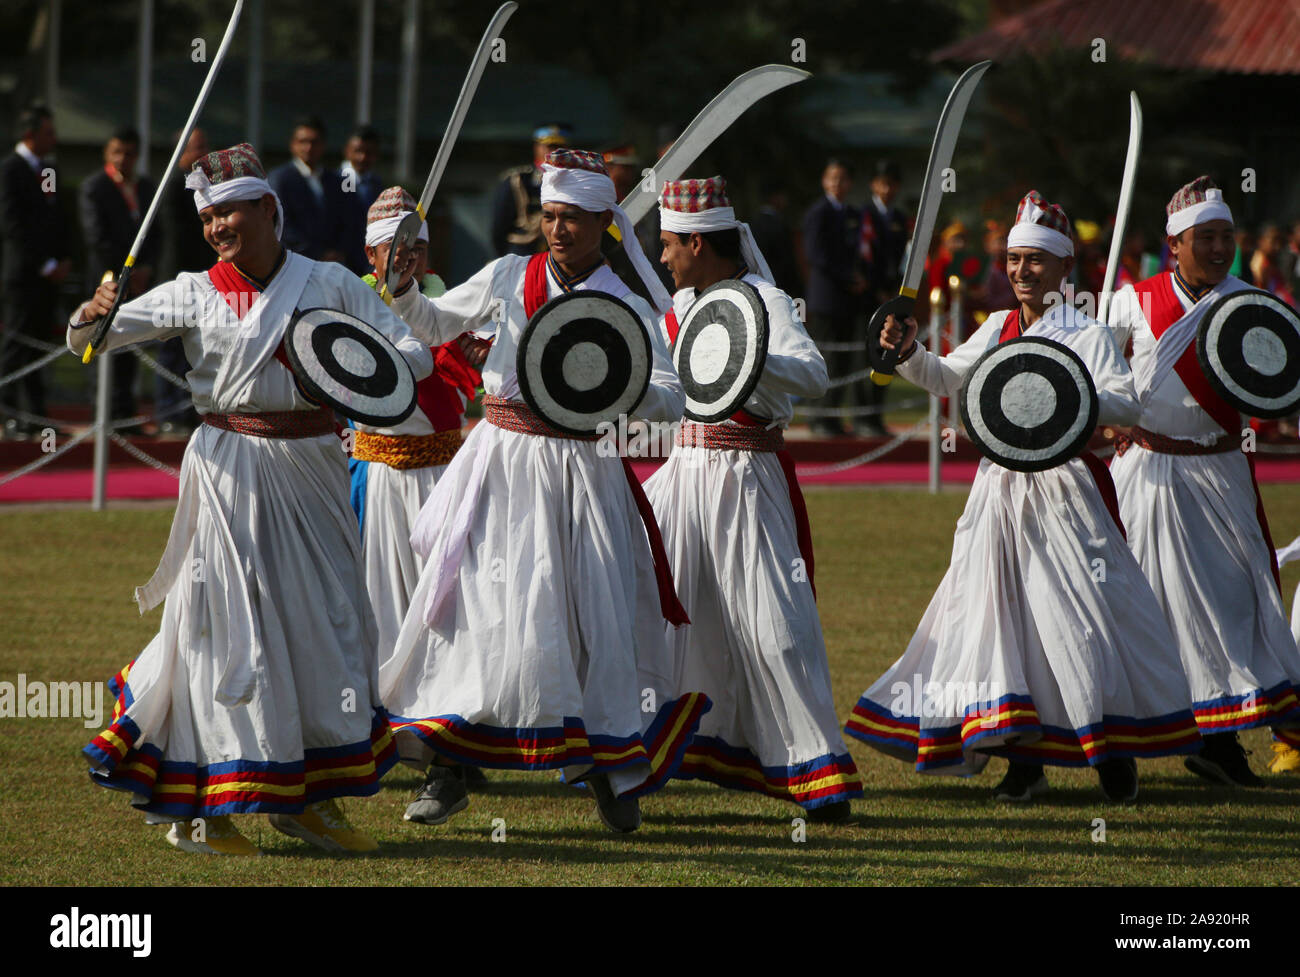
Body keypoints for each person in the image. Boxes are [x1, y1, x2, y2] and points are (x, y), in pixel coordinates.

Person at [71, 143, 434, 855]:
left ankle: (309, 800)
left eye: (229, 210)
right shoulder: (190, 290)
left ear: (269, 208)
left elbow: (409, 354)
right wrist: (94, 309)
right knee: (227, 634)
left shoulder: (330, 282)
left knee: (325, 629)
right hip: (228, 472)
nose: (216, 227)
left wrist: (347, 361)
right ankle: (202, 810)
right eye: (206, 217)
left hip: (316, 470)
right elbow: (91, 339)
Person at [379, 148, 707, 834]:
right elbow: (438, 325)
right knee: (472, 605)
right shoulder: (506, 273)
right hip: (499, 460)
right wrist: (406, 290)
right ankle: (449, 765)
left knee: (594, 613)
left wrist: (613, 381)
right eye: (550, 216)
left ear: (601, 222)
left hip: (583, 467)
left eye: (572, 219)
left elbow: (674, 398)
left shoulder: (625, 301)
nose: (557, 229)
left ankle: (611, 771)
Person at [845, 191, 1202, 803]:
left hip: (1067, 494)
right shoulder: (996, 326)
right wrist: (906, 351)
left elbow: (1127, 404)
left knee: (1084, 620)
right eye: (1013, 259)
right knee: (999, 617)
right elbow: (946, 378)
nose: (1020, 271)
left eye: (1035, 260)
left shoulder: (1087, 334)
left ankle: (1111, 747)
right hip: (998, 491)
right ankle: (1021, 756)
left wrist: (1071, 395)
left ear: (1064, 268)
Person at [646, 176, 862, 820]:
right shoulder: (675, 308)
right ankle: (643, 751)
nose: (661, 257)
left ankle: (814, 768)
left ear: (696, 242)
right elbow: (658, 385)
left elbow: (816, 375)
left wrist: (747, 349)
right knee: (655, 612)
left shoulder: (767, 301)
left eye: (668, 245)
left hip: (746, 475)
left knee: (775, 626)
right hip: (682, 471)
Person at [1107, 176, 1300, 787]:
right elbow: (1093, 376)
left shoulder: (1252, 306)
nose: (1220, 249)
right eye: (1207, 238)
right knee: (1134, 606)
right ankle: (1123, 741)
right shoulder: (1129, 301)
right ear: (1176, 246)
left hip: (1221, 472)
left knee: (1231, 606)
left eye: (1227, 237)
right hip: (1145, 473)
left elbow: (1284, 383)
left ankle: (1218, 741)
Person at [350, 186, 481, 679]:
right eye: (397, 249)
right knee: (381, 600)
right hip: (377, 477)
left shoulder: (452, 307)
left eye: (418, 249)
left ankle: (448, 727)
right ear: (372, 253)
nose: (409, 258)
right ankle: (388, 714)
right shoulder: (349, 306)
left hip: (442, 476)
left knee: (447, 603)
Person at [79, 126, 158, 429]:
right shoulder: (94, 187)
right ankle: (103, 413)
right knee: (102, 344)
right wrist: (126, 275)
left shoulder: (148, 187)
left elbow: (157, 233)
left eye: (129, 153)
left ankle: (126, 414)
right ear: (107, 153)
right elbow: (96, 237)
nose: (123, 159)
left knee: (130, 346)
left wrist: (147, 268)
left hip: (139, 285)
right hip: (106, 284)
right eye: (117, 152)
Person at [0, 104, 70, 438]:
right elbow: (12, 225)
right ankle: (9, 415)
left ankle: (37, 415)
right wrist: (44, 264)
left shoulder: (48, 171)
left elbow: (55, 219)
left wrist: (61, 258)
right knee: (17, 345)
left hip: (48, 277)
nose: (54, 138)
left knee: (40, 346)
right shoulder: (10, 170)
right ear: (30, 134)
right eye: (48, 132)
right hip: (23, 277)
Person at [801, 159, 868, 437]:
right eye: (832, 178)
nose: (837, 184)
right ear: (824, 181)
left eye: (842, 179)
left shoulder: (853, 213)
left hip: (848, 299)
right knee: (825, 357)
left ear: (850, 183)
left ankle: (834, 416)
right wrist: (847, 276)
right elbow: (815, 254)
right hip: (826, 297)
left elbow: (859, 250)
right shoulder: (819, 212)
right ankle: (819, 417)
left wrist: (860, 276)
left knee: (843, 362)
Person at [153, 127, 212, 435]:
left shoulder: (205, 186)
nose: (204, 153)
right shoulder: (173, 185)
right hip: (178, 278)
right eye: (197, 147)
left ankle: (187, 409)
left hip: (201, 279)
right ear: (181, 152)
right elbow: (176, 238)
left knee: (194, 348)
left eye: (206, 147)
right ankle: (168, 411)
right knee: (172, 346)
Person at [267, 115, 351, 267]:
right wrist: (319, 254)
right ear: (292, 144)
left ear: (323, 145)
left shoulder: (336, 180)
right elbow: (282, 224)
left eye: (314, 142)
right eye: (302, 142)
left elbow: (345, 220)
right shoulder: (279, 179)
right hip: (294, 263)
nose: (309, 147)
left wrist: (337, 251)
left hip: (332, 265)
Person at [489, 122, 569, 257]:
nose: (554, 152)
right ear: (537, 147)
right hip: (523, 254)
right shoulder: (518, 179)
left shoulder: (574, 180)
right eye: (549, 146)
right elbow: (499, 228)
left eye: (559, 147)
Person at [339, 124, 384, 274]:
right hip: (342, 263)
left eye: (369, 152)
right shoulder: (338, 180)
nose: (362, 157)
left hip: (369, 262)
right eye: (357, 151)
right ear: (347, 151)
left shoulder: (377, 183)